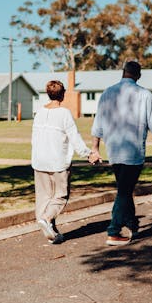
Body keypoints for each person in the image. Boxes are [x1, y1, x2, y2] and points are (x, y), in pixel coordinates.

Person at [91, 60, 152, 246]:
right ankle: (113, 231)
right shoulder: (144, 94)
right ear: (138, 75)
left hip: (113, 150)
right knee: (124, 191)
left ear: (123, 72)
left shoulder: (107, 93)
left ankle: (132, 223)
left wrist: (95, 148)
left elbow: (98, 124)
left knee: (125, 189)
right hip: (133, 151)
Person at [32, 80, 101, 244]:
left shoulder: (39, 112)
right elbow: (74, 138)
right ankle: (47, 219)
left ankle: (52, 233)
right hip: (57, 162)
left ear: (48, 94)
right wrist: (88, 154)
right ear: (62, 95)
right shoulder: (64, 113)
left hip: (39, 161)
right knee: (60, 196)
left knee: (44, 197)